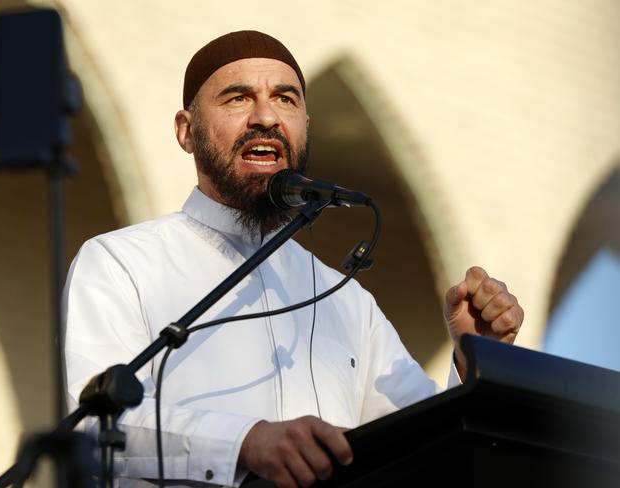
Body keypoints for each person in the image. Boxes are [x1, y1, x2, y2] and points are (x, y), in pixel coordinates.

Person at [63, 30, 524, 488]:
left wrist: (476, 361)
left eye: (285, 99)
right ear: (186, 131)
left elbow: (427, 454)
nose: (266, 116)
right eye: (238, 98)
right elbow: (97, 426)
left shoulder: (348, 303)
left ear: (306, 126)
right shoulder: (122, 263)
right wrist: (246, 442)